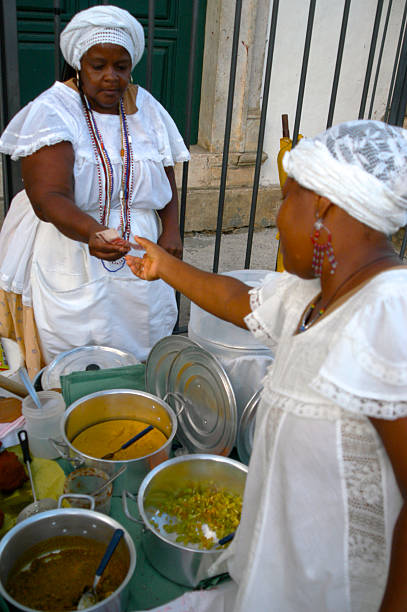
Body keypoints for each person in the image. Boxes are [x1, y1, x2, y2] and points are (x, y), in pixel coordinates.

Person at [126, 120, 407, 612]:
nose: (277, 217)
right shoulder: (315, 297)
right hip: (281, 578)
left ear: (323, 204)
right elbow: (240, 298)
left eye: (285, 199)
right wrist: (163, 266)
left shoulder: (389, 316)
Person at [0, 5, 189, 376]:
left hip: (138, 249)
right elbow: (48, 196)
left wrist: (170, 229)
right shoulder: (53, 111)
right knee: (79, 347)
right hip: (71, 246)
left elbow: (163, 171)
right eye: (98, 65)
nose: (111, 77)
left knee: (143, 329)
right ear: (78, 66)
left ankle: (135, 397)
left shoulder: (145, 107)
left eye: (120, 67)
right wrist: (91, 232)